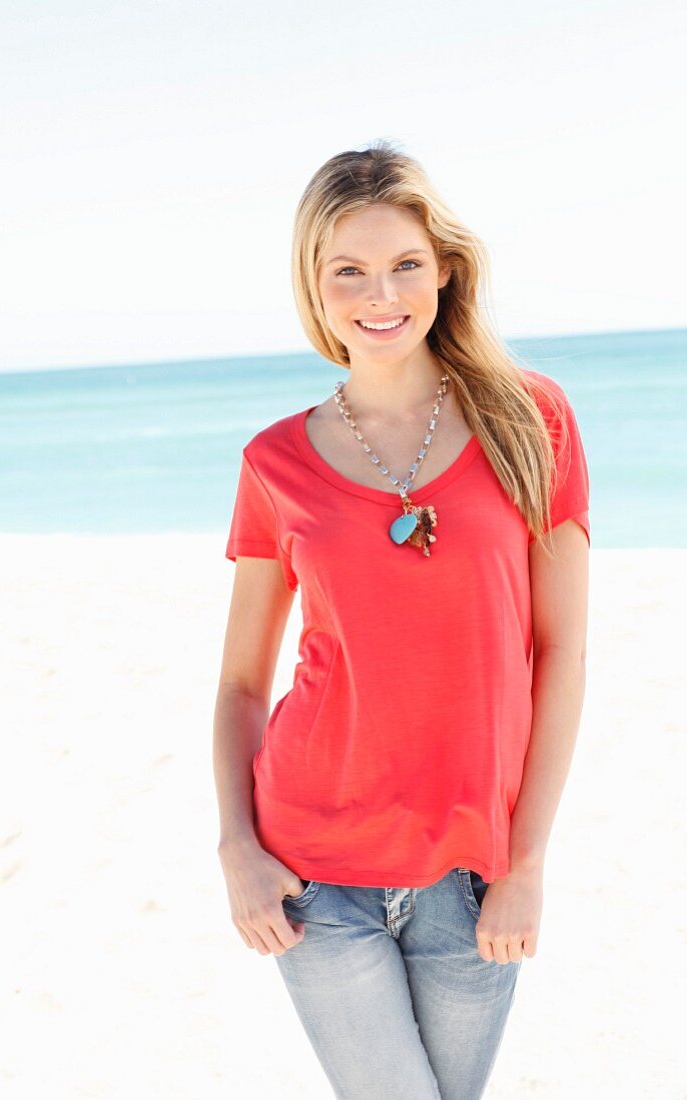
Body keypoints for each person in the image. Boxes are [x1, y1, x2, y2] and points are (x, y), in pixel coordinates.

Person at [213, 140, 590, 1099]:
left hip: (473, 876)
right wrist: (238, 849)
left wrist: (528, 863)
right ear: (315, 284)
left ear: (445, 270)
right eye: (350, 270)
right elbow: (245, 684)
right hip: (311, 870)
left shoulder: (533, 422)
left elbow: (562, 653)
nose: (380, 294)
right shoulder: (274, 463)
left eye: (404, 265)